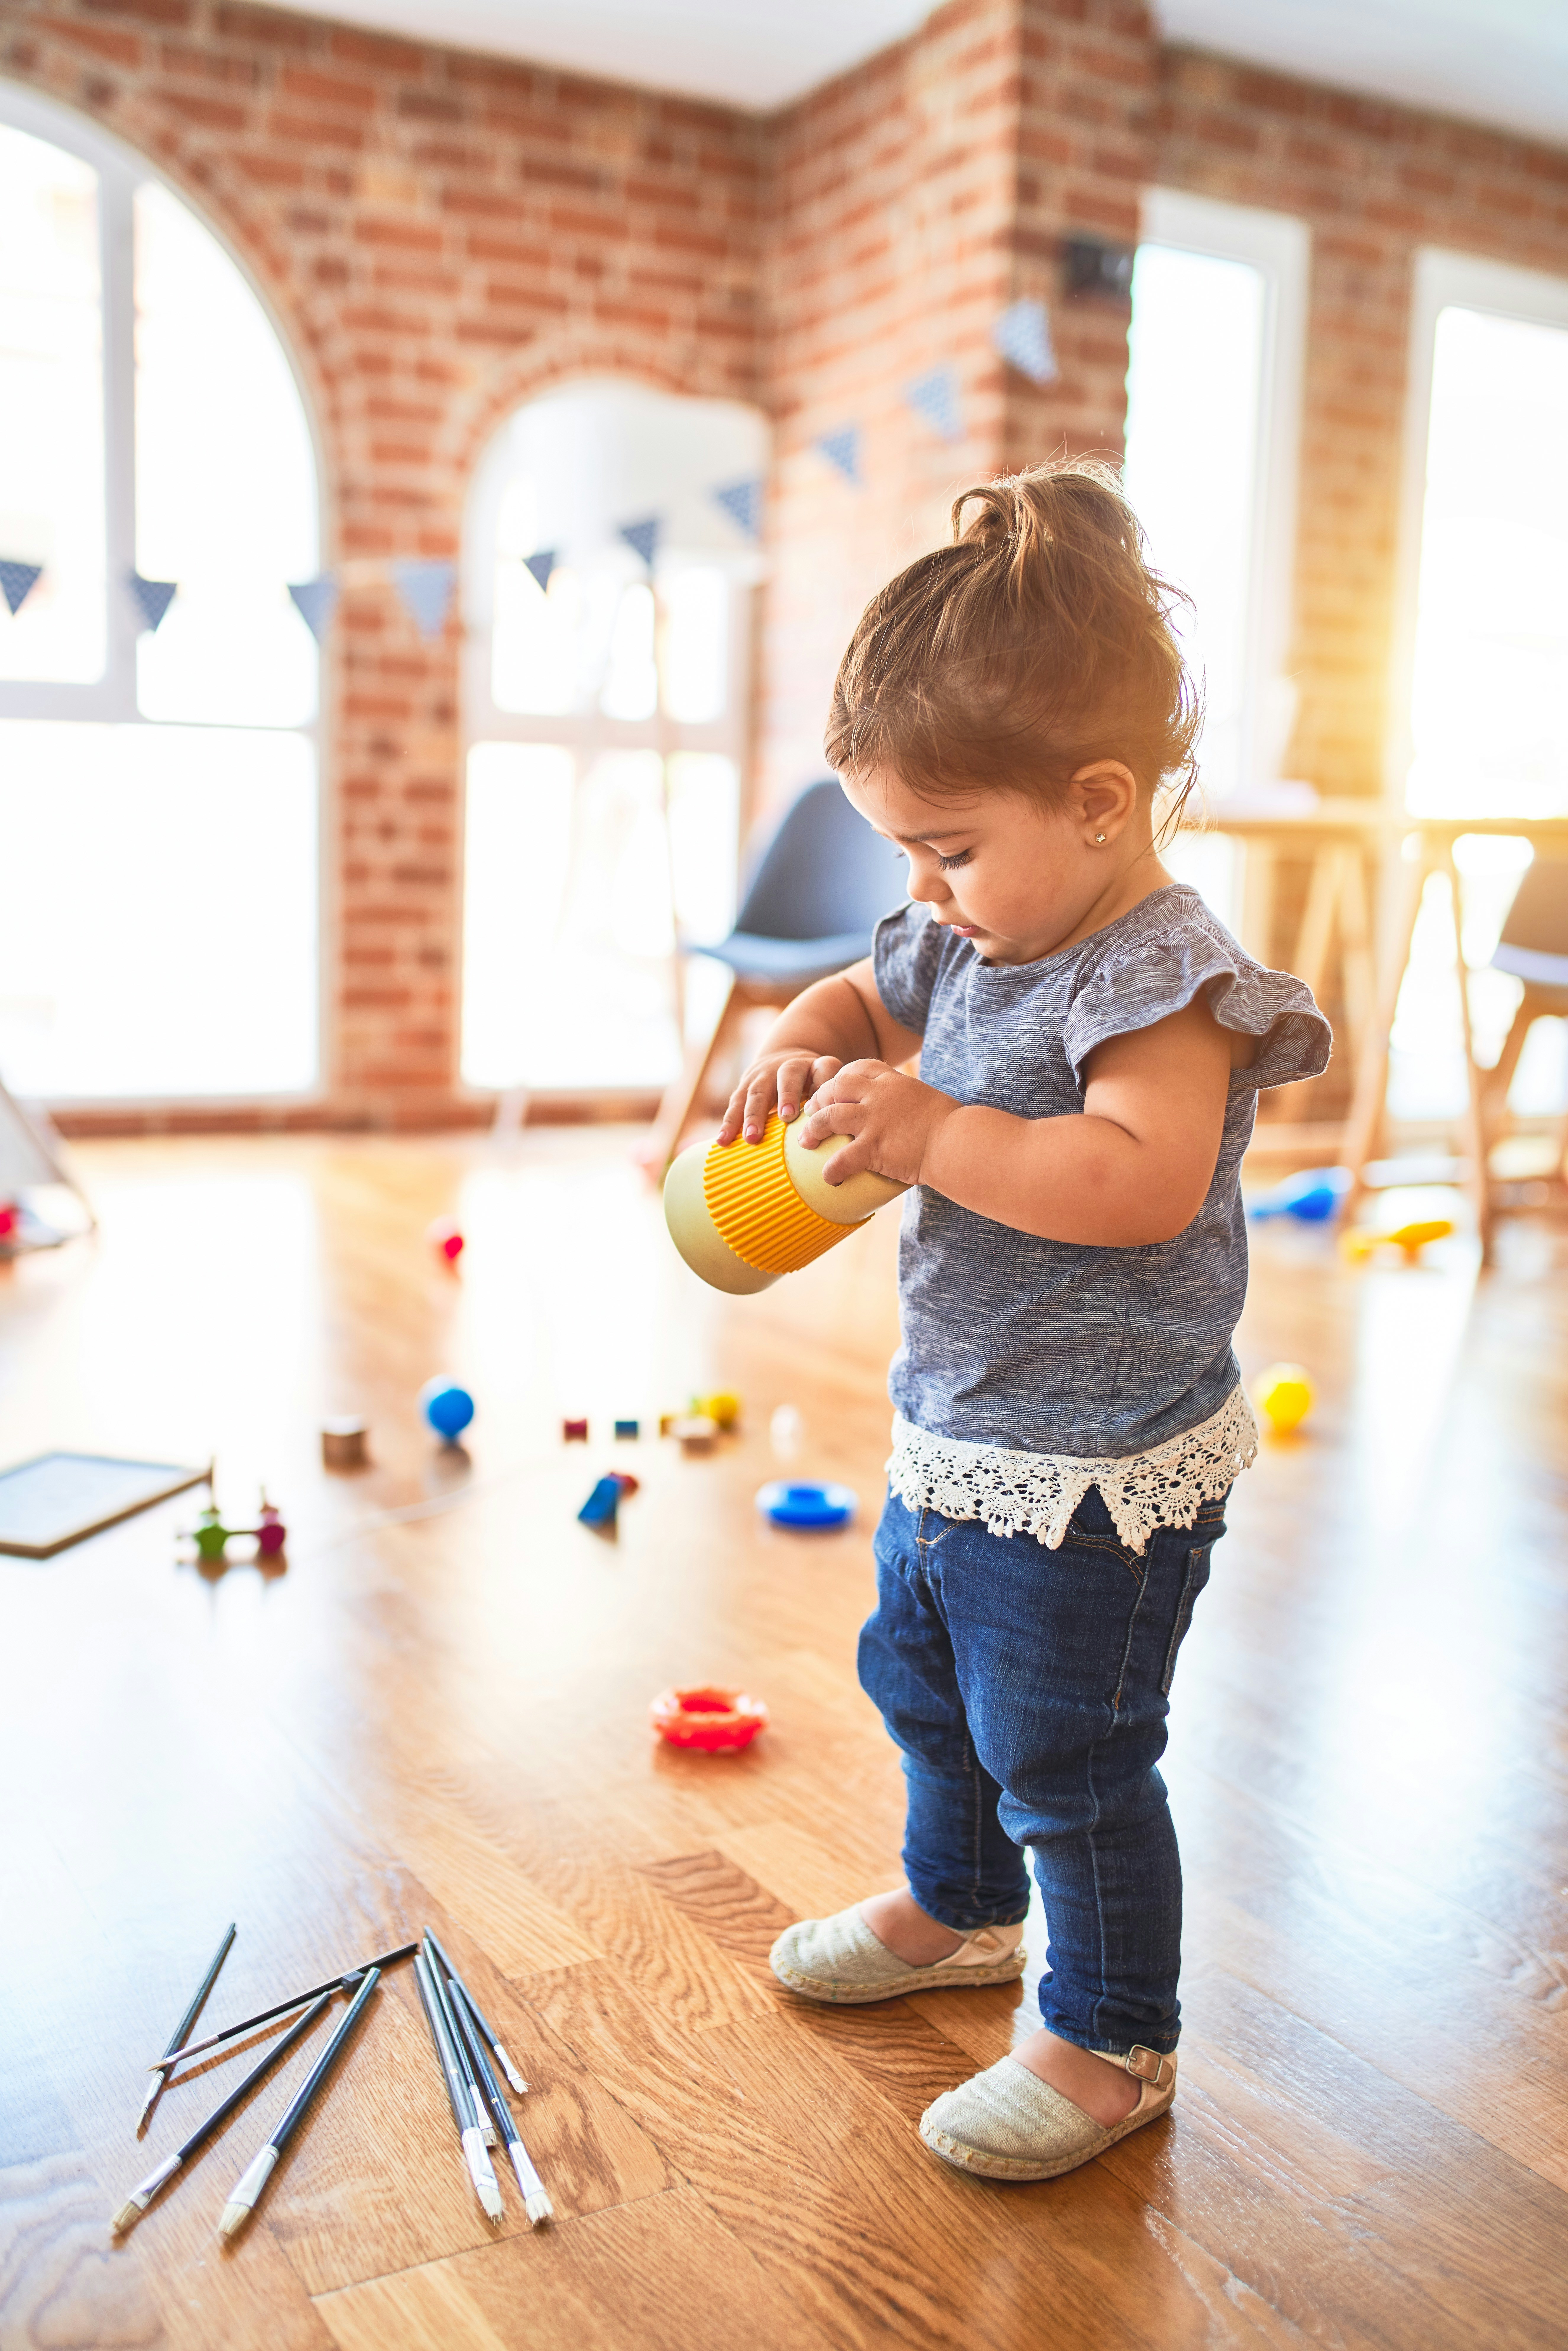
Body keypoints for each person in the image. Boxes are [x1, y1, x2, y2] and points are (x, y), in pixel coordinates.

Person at [718, 460, 1331, 2183]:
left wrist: (933, 1133)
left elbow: (1134, 1180)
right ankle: (962, 1903)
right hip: (965, 1427)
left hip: (1098, 1473)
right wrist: (802, 1027)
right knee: (918, 1680)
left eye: (949, 848)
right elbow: (864, 981)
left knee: (1069, 1752)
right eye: (908, 851)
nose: (924, 891)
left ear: (1101, 800)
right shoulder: (973, 931)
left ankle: (1109, 2032)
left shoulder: (1162, 978)